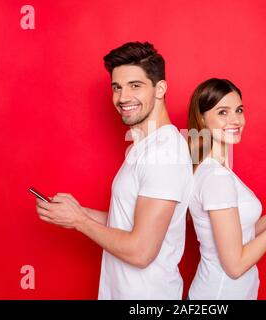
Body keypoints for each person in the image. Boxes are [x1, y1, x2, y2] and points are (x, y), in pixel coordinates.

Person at [35, 42, 193, 299]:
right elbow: (129, 220)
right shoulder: (141, 147)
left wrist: (79, 221)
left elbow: (141, 252)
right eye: (117, 87)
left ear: (160, 88)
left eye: (135, 86)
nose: (122, 98)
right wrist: (76, 212)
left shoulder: (165, 154)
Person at [186, 78, 266, 300]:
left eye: (239, 110)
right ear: (202, 118)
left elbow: (241, 233)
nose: (235, 120)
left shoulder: (216, 170)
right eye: (222, 112)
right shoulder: (216, 178)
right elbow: (235, 266)